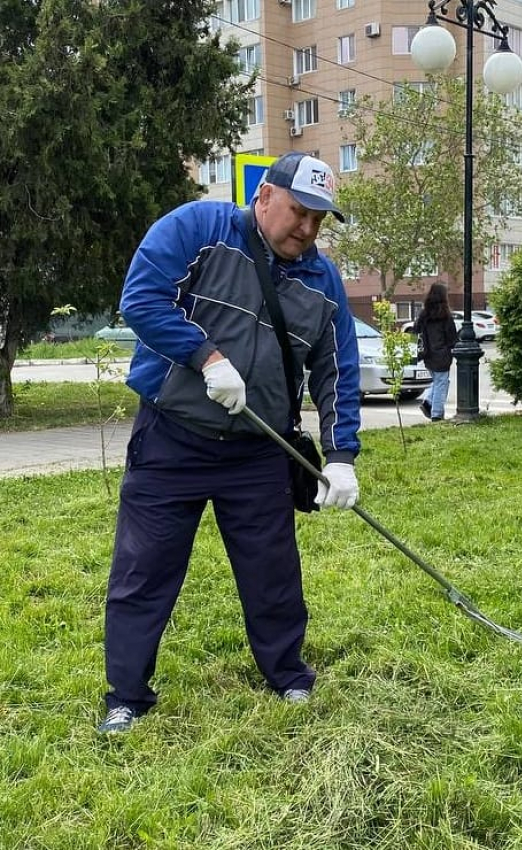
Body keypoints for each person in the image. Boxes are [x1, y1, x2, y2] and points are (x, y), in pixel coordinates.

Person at [98, 152, 361, 734]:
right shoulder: (198, 229)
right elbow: (141, 298)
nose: (308, 229)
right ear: (265, 197)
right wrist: (206, 357)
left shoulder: (323, 282)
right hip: (173, 440)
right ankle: (126, 695)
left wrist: (341, 456)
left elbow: (336, 367)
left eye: (320, 219)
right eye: (299, 212)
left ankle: (288, 675)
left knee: (272, 572)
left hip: (258, 453)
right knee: (145, 569)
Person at [414, 282, 458, 422]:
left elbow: (416, 331)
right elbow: (452, 338)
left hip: (427, 355)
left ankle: (428, 402)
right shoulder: (445, 315)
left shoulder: (424, 314)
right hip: (442, 355)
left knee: (440, 381)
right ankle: (436, 414)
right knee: (441, 383)